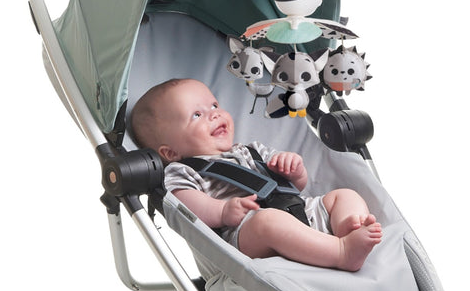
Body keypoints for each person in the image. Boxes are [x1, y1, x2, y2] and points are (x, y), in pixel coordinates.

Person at [131, 78, 382, 271]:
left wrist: (295, 171)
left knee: (344, 196)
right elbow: (185, 204)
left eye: (214, 105)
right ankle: (341, 252)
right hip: (248, 232)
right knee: (268, 221)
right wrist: (222, 211)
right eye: (197, 115)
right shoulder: (182, 169)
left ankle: (347, 227)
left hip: (300, 211)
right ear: (171, 152)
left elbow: (295, 187)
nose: (214, 114)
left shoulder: (252, 150)